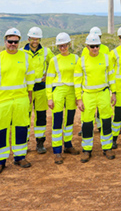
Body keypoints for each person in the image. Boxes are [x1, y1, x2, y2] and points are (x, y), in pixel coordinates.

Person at [0, 28, 35, 174]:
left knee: (21, 129)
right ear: (5, 41)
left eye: (15, 41)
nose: (12, 44)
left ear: (19, 42)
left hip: (21, 100)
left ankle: (20, 157)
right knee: (0, 131)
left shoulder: (26, 57)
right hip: (2, 102)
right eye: (10, 41)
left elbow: (30, 79)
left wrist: (29, 97)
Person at [75, 33, 116, 162]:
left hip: (103, 93)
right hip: (88, 95)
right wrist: (79, 98)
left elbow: (111, 77)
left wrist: (113, 93)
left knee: (106, 121)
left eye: (97, 46)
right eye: (92, 46)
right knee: (87, 123)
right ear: (87, 46)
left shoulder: (106, 58)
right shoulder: (81, 61)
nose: (95, 49)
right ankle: (87, 150)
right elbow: (77, 81)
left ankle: (107, 147)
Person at [46, 32, 80, 164]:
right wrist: (49, 97)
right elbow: (49, 80)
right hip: (58, 91)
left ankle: (68, 145)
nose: (62, 48)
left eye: (64, 45)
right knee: (57, 121)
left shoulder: (76, 58)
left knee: (70, 120)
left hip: (72, 91)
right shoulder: (54, 60)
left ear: (69, 44)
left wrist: (79, 95)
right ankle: (57, 150)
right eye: (60, 46)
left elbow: (79, 78)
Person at [23, 26, 52, 154]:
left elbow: (55, 63)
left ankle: (40, 143)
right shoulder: (21, 52)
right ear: (28, 38)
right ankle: (23, 143)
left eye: (37, 39)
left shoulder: (46, 52)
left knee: (41, 116)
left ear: (40, 39)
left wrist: (48, 75)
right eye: (33, 38)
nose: (35, 41)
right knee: (25, 117)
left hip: (41, 88)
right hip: (25, 89)